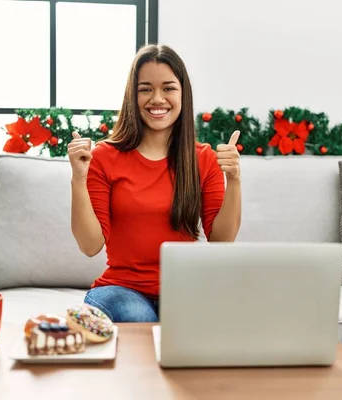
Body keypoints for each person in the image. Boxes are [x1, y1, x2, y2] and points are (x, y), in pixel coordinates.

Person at [68, 44, 241, 322]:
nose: (157, 99)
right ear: (132, 96)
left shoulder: (203, 158)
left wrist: (233, 179)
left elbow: (222, 240)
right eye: (145, 89)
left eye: (168, 88)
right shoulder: (104, 157)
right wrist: (78, 179)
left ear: (183, 94)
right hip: (119, 290)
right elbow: (90, 246)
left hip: (184, 289)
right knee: (138, 316)